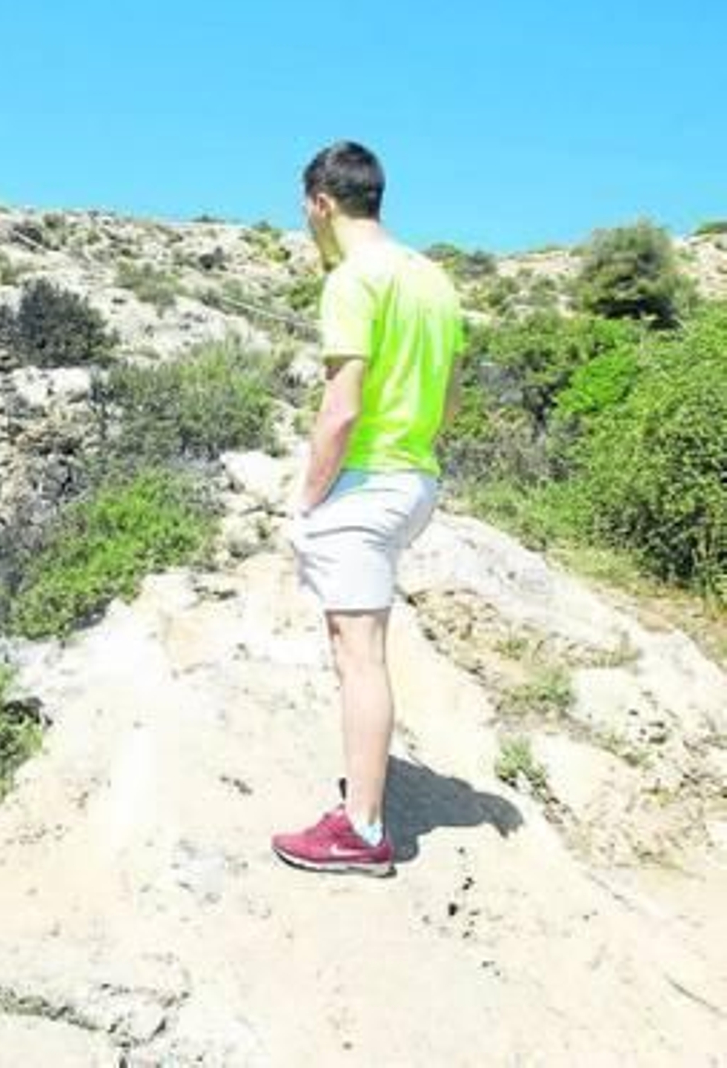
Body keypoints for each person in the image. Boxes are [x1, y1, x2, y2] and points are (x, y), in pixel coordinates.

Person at [271, 141, 466, 876]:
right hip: (415, 476)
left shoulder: (354, 281)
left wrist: (307, 500)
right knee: (361, 650)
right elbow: (449, 400)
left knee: (360, 658)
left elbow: (340, 410)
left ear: (321, 202)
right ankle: (364, 804)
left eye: (305, 210)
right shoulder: (432, 278)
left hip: (366, 483)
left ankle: (363, 830)